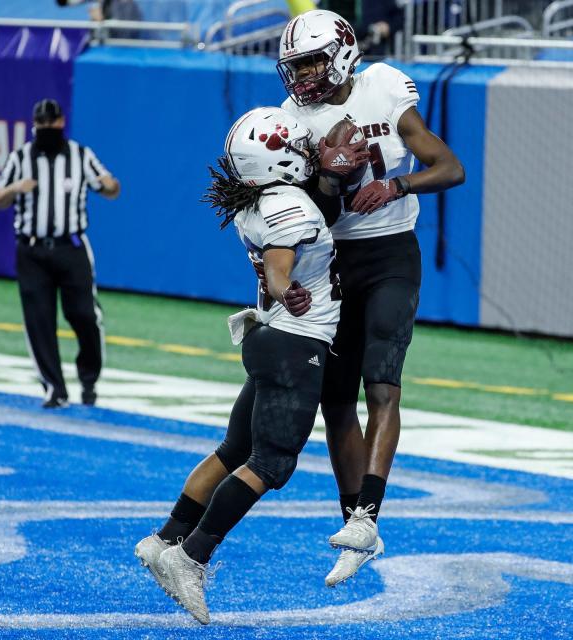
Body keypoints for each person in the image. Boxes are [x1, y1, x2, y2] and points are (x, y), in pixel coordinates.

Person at [133, 106, 365, 625]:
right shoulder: (290, 206)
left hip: (267, 338)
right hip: (293, 340)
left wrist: (326, 179)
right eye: (300, 148)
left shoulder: (256, 201)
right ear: (279, 160)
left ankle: (166, 536)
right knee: (272, 462)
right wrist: (291, 292)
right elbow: (282, 268)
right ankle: (191, 556)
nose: (308, 153)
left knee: (234, 448)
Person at [277, 10, 465, 586]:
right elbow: (318, 213)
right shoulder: (290, 119)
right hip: (334, 260)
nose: (304, 76)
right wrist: (330, 179)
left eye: (311, 61)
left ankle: (368, 516)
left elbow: (449, 167)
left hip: (390, 255)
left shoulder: (383, 86)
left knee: (381, 382)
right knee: (335, 402)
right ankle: (353, 524)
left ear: (341, 53)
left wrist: (394, 184)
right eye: (297, 65)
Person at [0, 99, 120, 409]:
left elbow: (112, 188)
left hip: (71, 247)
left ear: (61, 123)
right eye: (41, 125)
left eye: (51, 123)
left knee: (85, 315)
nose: (47, 129)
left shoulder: (80, 155)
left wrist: (108, 183)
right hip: (32, 250)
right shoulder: (20, 158)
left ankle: (88, 379)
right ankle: (54, 387)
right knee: (39, 320)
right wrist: (14, 189)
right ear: (35, 126)